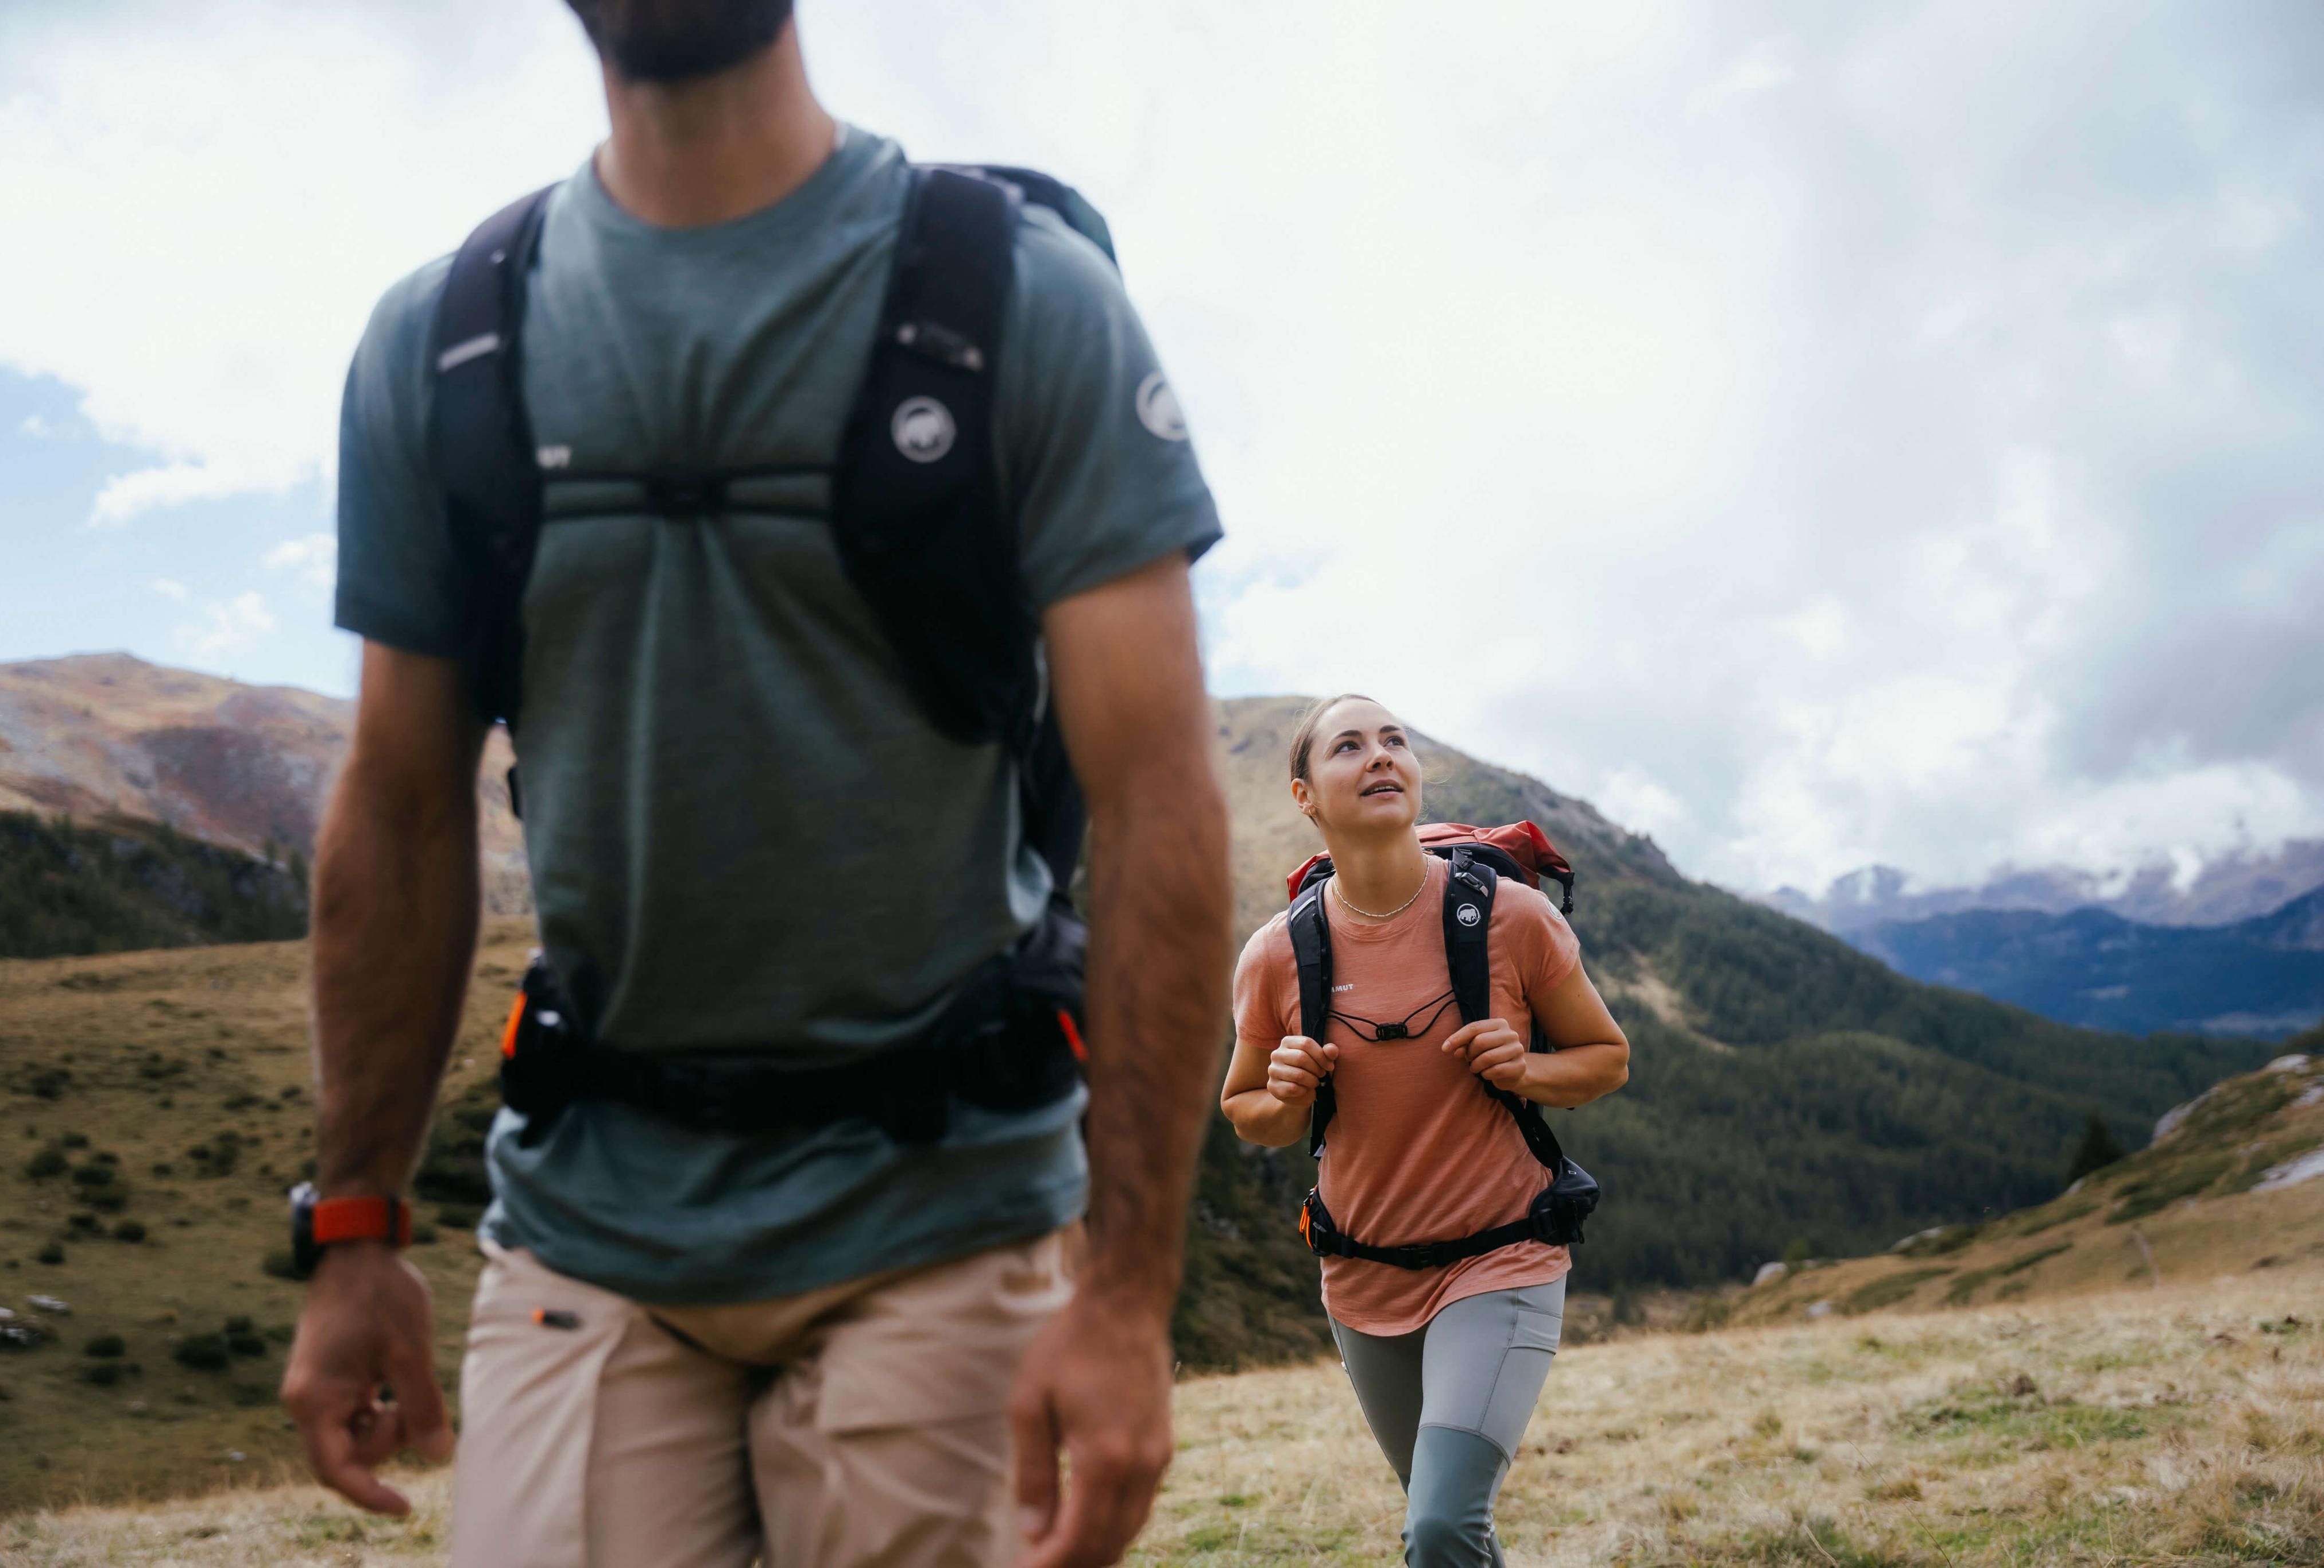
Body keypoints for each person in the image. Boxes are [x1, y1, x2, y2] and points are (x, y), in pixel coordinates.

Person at [279, 4, 1232, 1566]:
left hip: (947, 1222)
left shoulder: (1031, 305)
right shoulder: (441, 348)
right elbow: (397, 806)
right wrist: (355, 1222)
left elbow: (1160, 800)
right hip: (589, 1233)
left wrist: (1126, 1296)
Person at [1221, 695, 1630, 1567]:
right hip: (1363, 1278)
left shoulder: (1511, 920)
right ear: (1306, 796)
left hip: (1501, 1257)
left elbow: (1605, 1058)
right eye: (1350, 747)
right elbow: (1245, 1109)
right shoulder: (1276, 954)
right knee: (1450, 1528)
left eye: (1394, 741)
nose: (1380, 756)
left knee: (1440, 1526)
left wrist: (1526, 1068)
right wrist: (1286, 1096)